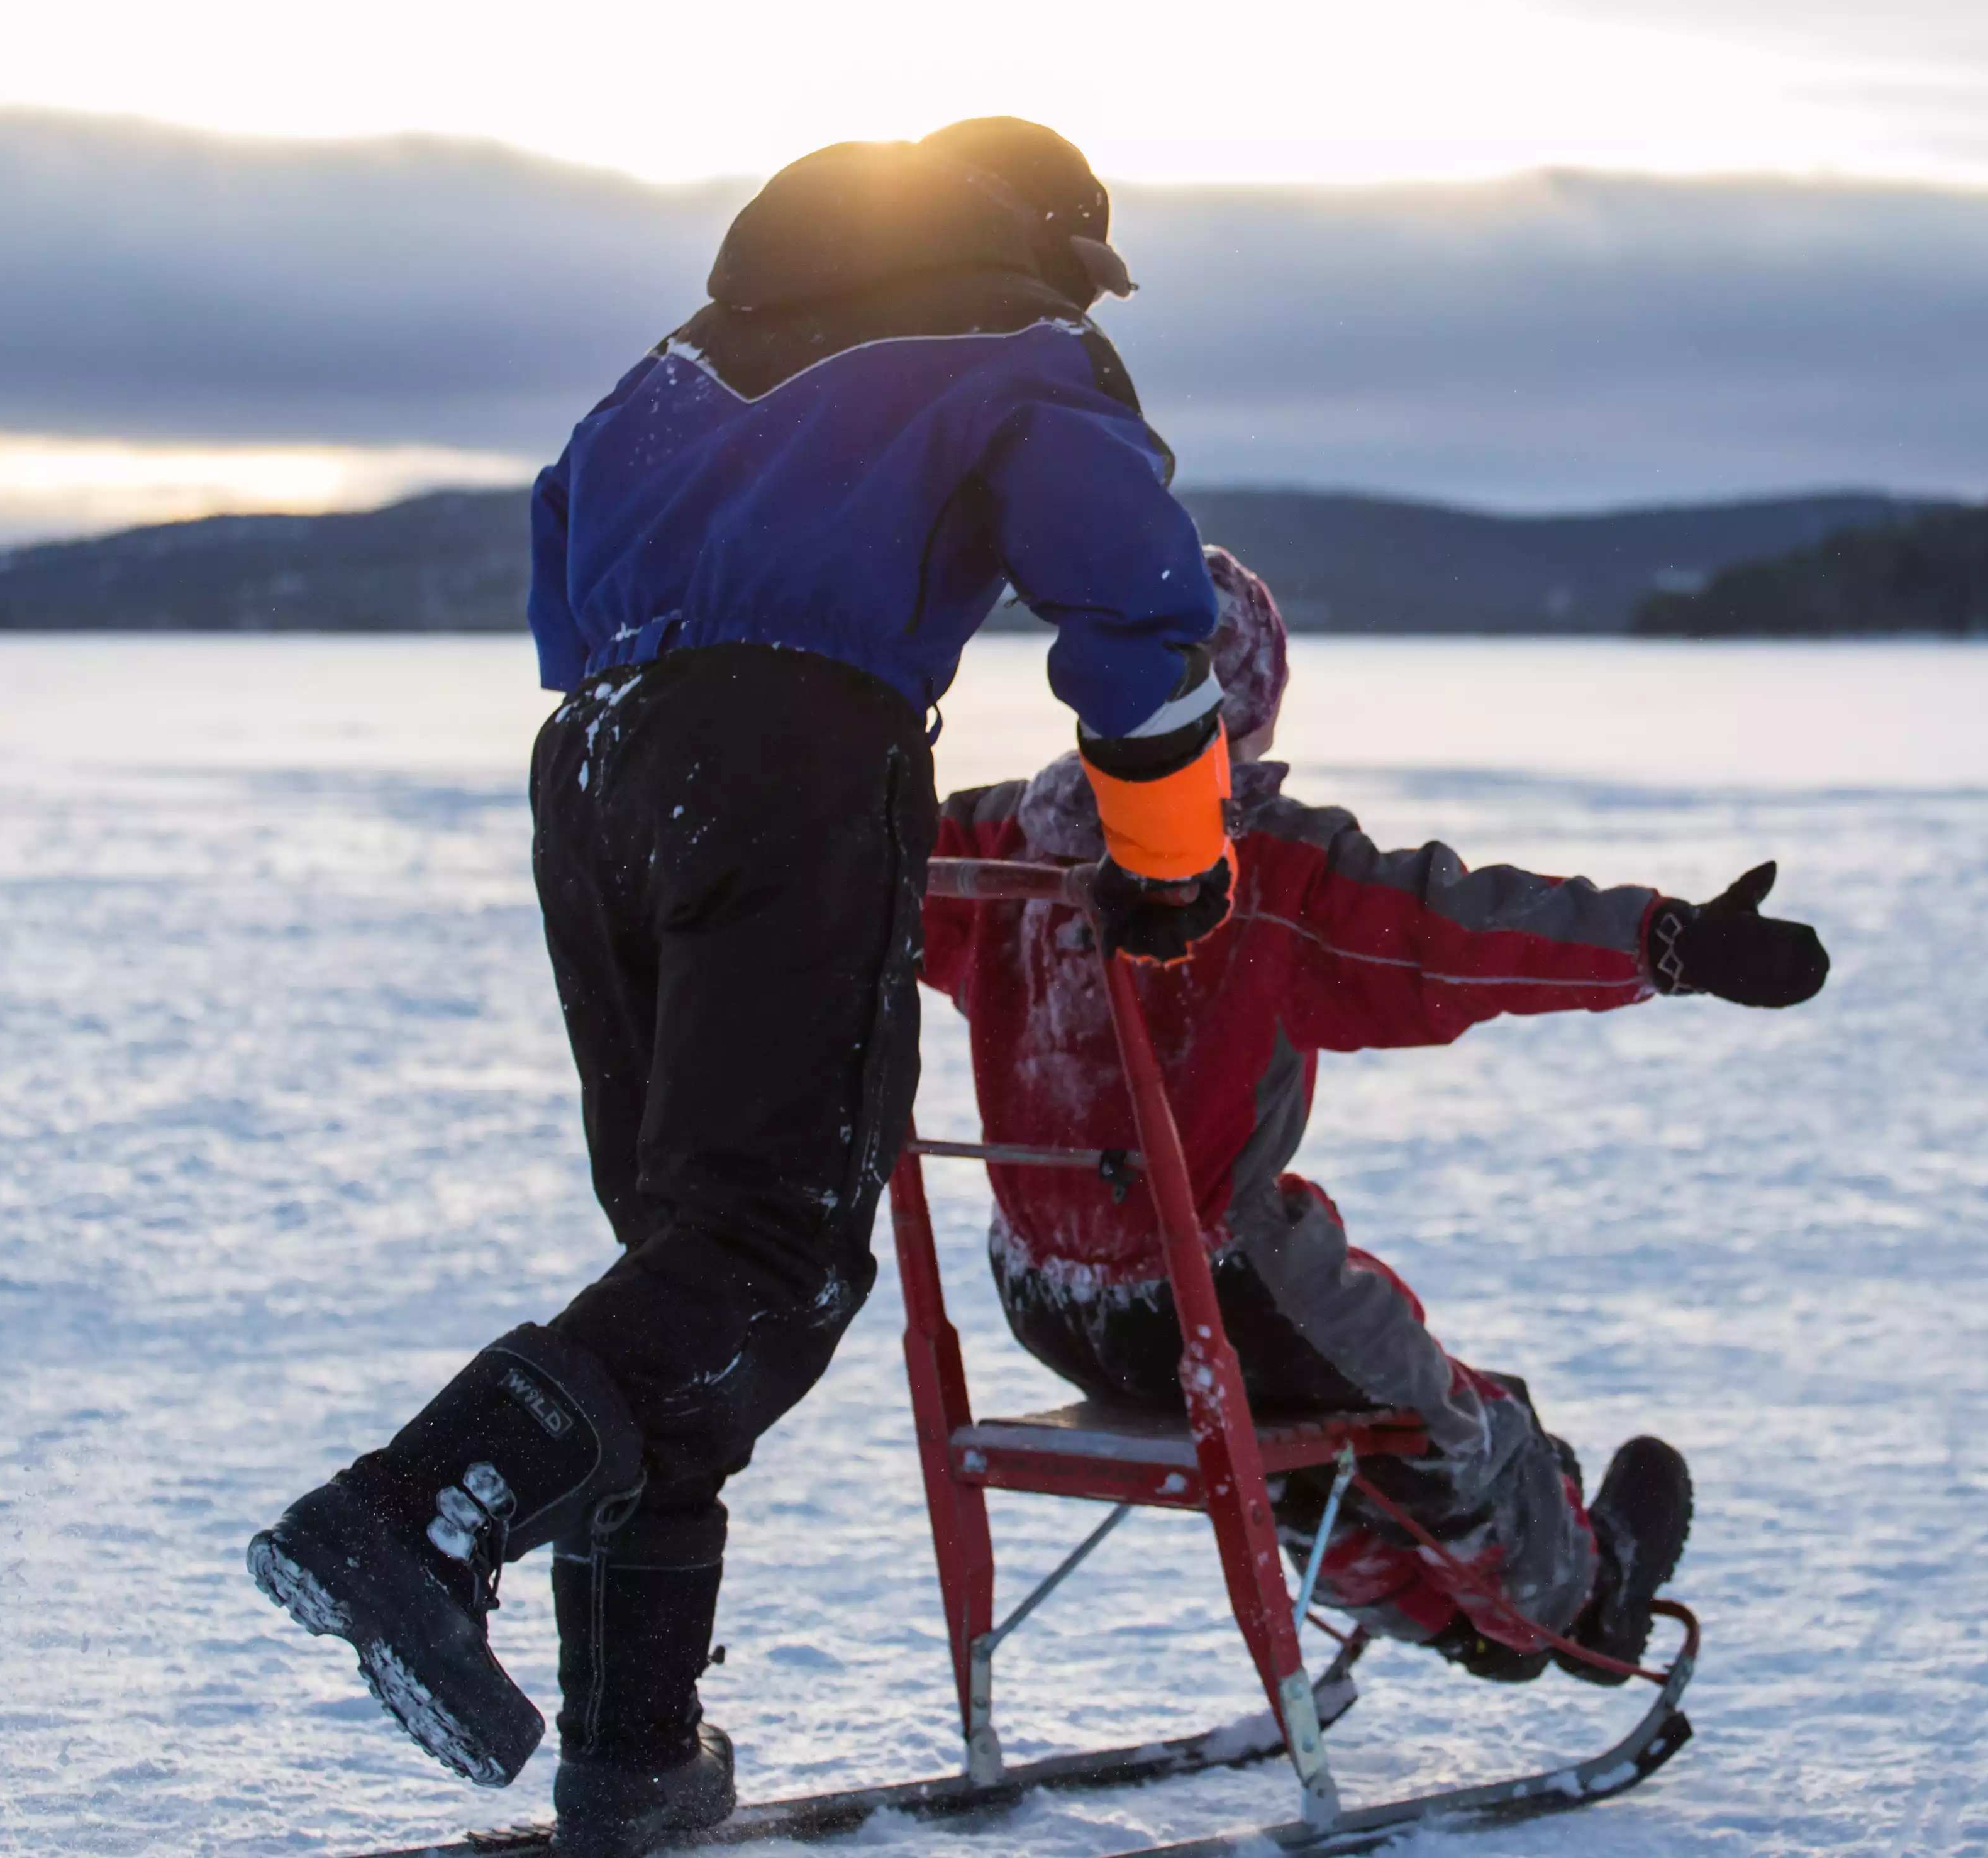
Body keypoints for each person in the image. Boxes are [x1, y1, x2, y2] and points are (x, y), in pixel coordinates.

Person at [245, 119, 1247, 1857]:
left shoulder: (671, 366)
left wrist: (674, 718)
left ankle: (634, 1760)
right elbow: (1139, 608)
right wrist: (1172, 864)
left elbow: (563, 566)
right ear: (1045, 236)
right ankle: (411, 1515)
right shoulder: (1021, 345)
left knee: (681, 1262)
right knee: (766, 1251)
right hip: (796, 750)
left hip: (599, 767)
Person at [919, 548, 1829, 1679]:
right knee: (1447, 1428)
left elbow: (857, 875)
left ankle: (1455, 1621)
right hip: (1221, 1289)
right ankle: (1579, 1606)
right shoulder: (1267, 868)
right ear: (1244, 706)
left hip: (1041, 1295)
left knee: (1304, 1443)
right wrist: (1667, 942)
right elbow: (1460, 935)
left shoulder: (991, 839)